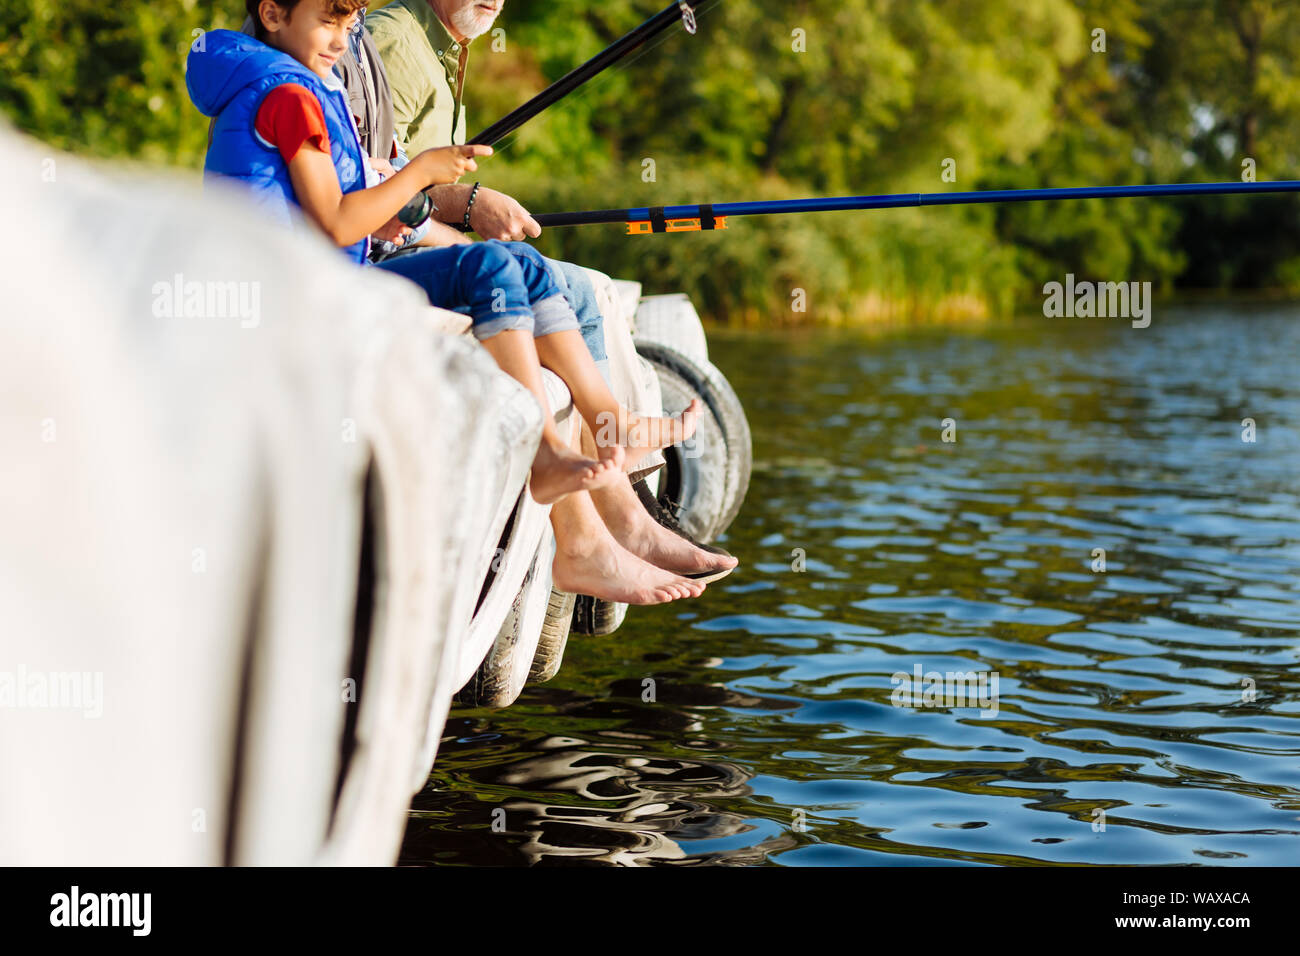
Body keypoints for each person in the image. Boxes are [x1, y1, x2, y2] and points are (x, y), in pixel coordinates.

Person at [188, 0, 713, 602]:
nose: (341, 40)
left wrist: (390, 210)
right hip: (303, 290)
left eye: (348, 24)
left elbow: (336, 206)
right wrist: (420, 175)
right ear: (274, 15)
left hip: (333, 272)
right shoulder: (288, 97)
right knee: (486, 267)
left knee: (510, 265)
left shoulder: (301, 85)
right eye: (329, 21)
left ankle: (605, 419)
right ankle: (545, 451)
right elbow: (334, 220)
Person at [368, 0, 739, 581]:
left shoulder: (445, 48)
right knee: (562, 280)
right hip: (388, 252)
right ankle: (607, 516)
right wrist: (469, 208)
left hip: (416, 238)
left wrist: (469, 207)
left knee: (580, 286)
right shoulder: (395, 40)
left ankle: (623, 513)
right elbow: (377, 180)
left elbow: (405, 173)